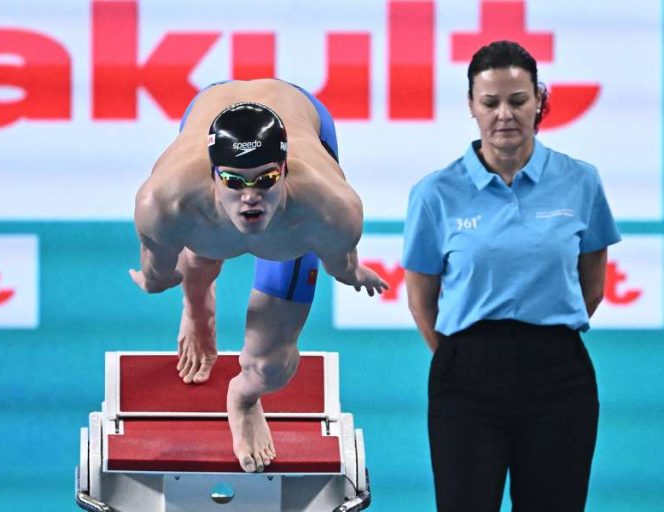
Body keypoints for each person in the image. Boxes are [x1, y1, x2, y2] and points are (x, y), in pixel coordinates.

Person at [402, 41, 620, 511]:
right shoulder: (435, 193)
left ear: (539, 101)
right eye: (491, 102)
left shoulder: (581, 181)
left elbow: (593, 285)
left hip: (559, 378)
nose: (505, 114)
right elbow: (422, 298)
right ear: (471, 107)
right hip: (465, 381)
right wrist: (464, 357)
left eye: (518, 100)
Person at [129, 79, 388, 473]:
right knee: (197, 256)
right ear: (214, 174)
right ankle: (200, 311)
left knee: (271, 363)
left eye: (265, 179)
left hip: (301, 115)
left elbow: (342, 262)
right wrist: (154, 279)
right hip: (208, 120)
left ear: (284, 169)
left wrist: (351, 272)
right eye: (234, 181)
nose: (250, 196)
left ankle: (244, 398)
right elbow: (159, 269)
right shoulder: (166, 201)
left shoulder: (328, 208)